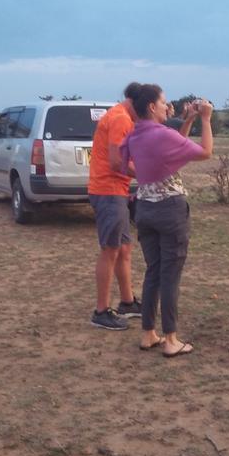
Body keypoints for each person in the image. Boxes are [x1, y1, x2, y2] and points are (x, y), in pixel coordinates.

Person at [119, 84, 213, 356]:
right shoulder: (160, 135)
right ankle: (171, 339)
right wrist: (205, 119)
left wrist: (189, 119)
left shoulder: (136, 135)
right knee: (170, 275)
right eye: (163, 102)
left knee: (154, 272)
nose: (166, 106)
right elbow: (205, 151)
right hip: (170, 211)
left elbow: (172, 147)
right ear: (151, 106)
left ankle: (148, 332)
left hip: (145, 210)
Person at [87, 85, 142, 330]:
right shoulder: (120, 118)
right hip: (108, 191)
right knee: (110, 250)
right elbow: (116, 161)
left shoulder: (121, 115)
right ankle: (101, 311)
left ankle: (127, 302)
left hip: (116, 191)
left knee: (124, 248)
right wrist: (146, 175)